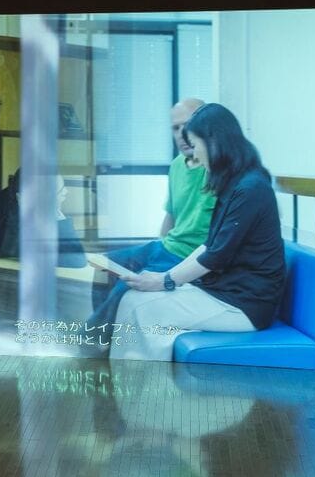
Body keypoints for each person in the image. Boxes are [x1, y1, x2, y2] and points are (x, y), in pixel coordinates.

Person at [108, 102, 285, 360]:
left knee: (141, 310)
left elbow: (215, 256)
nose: (195, 154)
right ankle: (133, 380)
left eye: (195, 144)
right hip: (224, 291)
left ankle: (143, 382)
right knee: (132, 299)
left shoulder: (251, 188)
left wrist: (164, 281)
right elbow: (210, 245)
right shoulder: (235, 183)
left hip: (244, 304)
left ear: (213, 141)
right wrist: (165, 278)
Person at [88, 98, 217, 328]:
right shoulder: (177, 165)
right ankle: (105, 331)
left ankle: (92, 336)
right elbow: (171, 215)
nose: (181, 134)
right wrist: (157, 247)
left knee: (126, 286)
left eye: (187, 126)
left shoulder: (217, 168)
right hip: (166, 247)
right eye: (175, 128)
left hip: (189, 257)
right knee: (102, 266)